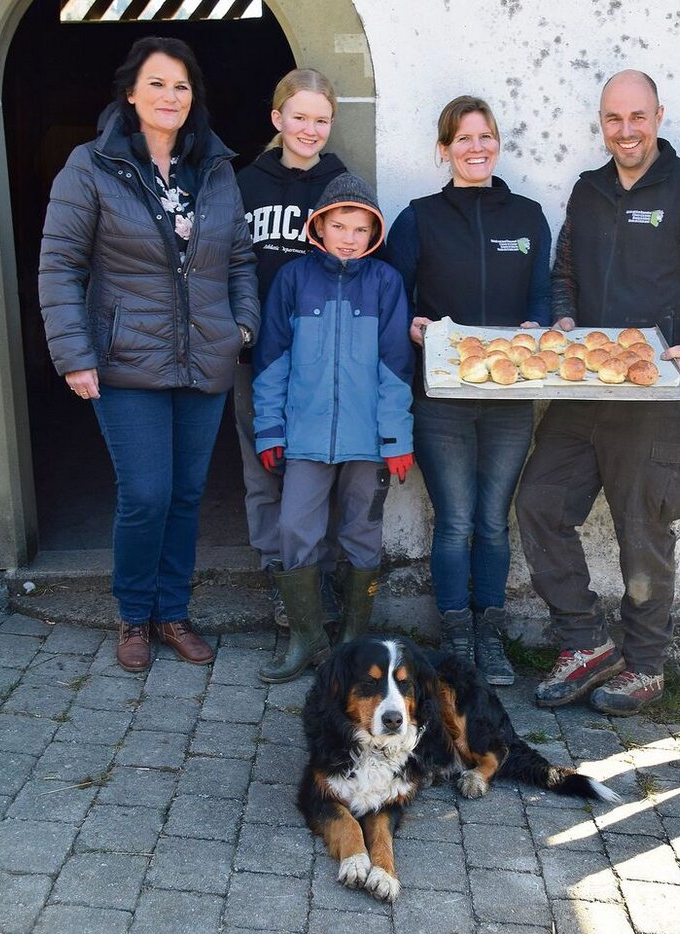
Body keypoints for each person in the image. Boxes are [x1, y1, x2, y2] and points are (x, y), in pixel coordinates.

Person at [39, 37, 259, 673]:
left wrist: (240, 326)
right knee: (146, 494)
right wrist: (74, 355)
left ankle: (172, 612)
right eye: (157, 84)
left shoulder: (215, 170)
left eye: (182, 86)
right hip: (125, 360)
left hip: (205, 361)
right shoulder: (91, 167)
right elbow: (60, 266)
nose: (171, 97)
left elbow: (239, 258)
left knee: (187, 494)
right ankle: (134, 616)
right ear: (130, 94)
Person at [516, 70, 680, 716]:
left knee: (644, 527)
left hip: (656, 394)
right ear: (601, 123)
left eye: (638, 117)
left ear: (658, 116)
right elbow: (564, 275)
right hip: (584, 386)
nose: (627, 131)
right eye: (615, 119)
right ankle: (584, 643)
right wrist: (561, 321)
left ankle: (645, 665)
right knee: (539, 502)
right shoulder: (587, 192)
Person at [384, 96, 552, 687]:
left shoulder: (528, 216)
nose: (475, 148)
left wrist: (536, 325)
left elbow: (541, 293)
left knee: (493, 521)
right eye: (462, 139)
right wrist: (412, 324)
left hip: (509, 398)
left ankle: (490, 630)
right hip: (442, 400)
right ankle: (455, 632)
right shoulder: (418, 218)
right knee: (454, 521)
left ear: (497, 143)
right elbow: (393, 298)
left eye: (485, 137)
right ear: (444, 149)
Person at [252, 173, 415, 683]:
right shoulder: (294, 280)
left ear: (374, 236)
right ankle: (306, 638)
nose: (348, 237)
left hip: (367, 443)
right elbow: (271, 361)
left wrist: (396, 439)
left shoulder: (385, 284)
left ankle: (355, 644)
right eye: (339, 225)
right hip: (303, 438)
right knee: (295, 529)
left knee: (361, 531)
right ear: (317, 226)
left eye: (360, 229)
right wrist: (269, 430)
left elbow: (395, 367)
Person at [234, 69, 350, 629]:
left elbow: (361, 264)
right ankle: (280, 576)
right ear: (277, 119)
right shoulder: (241, 185)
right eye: (299, 117)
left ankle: (315, 576)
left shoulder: (342, 185)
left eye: (321, 119)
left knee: (315, 469)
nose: (310, 129)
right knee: (264, 467)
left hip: (319, 362)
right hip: (255, 357)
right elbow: (221, 264)